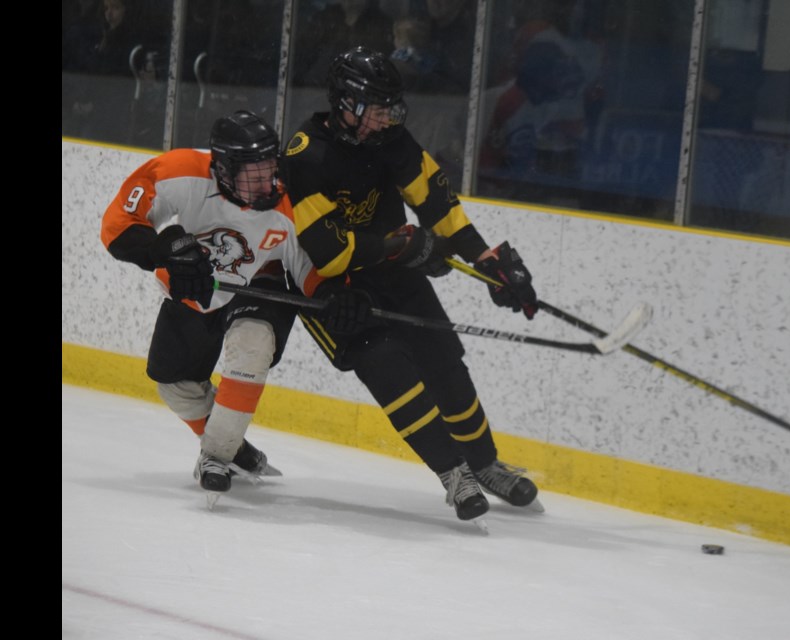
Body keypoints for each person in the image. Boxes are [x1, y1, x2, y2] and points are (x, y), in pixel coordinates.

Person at [283, 46, 541, 523]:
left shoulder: (391, 140)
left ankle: (483, 464)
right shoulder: (306, 155)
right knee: (388, 369)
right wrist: (397, 244)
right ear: (347, 104)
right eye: (378, 109)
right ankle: (453, 474)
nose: (388, 118)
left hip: (392, 267)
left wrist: (485, 259)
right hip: (329, 288)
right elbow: (329, 252)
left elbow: (438, 205)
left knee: (444, 361)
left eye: (390, 108)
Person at [101, 110, 322, 500]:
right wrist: (164, 248)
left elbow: (308, 270)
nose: (265, 181)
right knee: (174, 384)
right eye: (251, 172)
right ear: (221, 169)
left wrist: (334, 298)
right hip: (198, 284)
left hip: (259, 281)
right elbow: (117, 226)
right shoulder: (180, 171)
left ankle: (216, 456)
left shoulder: (291, 200)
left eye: (268, 167)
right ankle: (236, 449)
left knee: (251, 347)